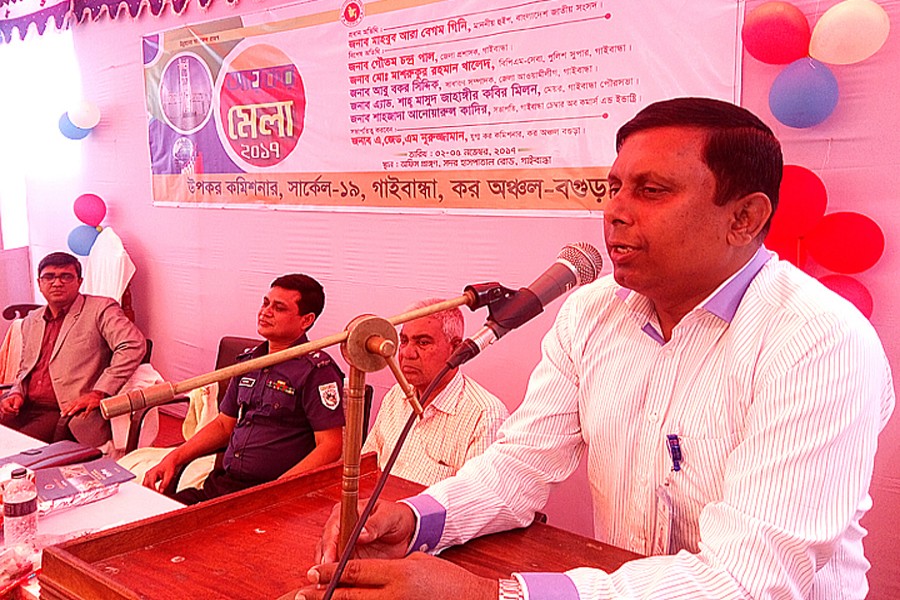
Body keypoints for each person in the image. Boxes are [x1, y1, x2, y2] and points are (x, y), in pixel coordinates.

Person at [302, 98, 896, 600]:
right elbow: (521, 464)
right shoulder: (592, 311)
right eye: (613, 188)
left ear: (744, 218)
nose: (614, 212)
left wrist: (490, 595)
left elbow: (749, 579)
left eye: (651, 191)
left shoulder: (818, 339)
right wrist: (416, 520)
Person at [143, 274, 345, 504]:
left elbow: (330, 447)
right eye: (265, 303)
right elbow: (223, 425)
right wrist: (174, 458)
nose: (265, 312)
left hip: (269, 497)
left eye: (279, 308)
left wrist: (277, 492)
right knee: (152, 514)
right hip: (224, 485)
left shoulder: (316, 371)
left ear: (306, 320)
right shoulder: (249, 362)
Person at [0, 252, 146, 447]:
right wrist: (16, 392)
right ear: (39, 283)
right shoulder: (32, 320)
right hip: (24, 405)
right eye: (49, 277)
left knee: (15, 449)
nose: (57, 283)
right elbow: (25, 368)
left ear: (79, 282)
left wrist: (100, 392)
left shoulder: (100, 308)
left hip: (64, 410)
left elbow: (133, 345)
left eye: (66, 276)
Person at [362, 300, 509, 486]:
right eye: (404, 341)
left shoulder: (485, 415)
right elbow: (366, 467)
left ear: (456, 348)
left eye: (423, 342)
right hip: (378, 501)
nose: (407, 353)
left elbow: (476, 496)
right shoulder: (396, 394)